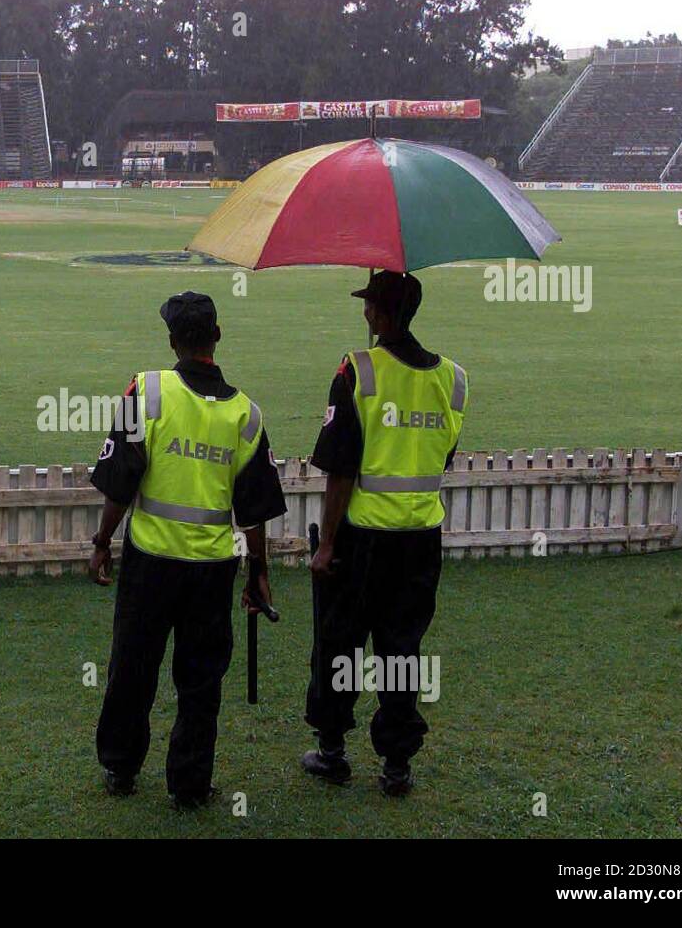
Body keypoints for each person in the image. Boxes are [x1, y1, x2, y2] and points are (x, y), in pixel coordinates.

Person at [88, 291, 287, 810]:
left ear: (172, 340)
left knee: (133, 667)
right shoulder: (247, 415)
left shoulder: (146, 391)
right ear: (216, 338)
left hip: (150, 563)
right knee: (201, 681)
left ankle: (120, 766)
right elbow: (256, 509)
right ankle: (191, 784)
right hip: (212, 571)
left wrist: (102, 541)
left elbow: (121, 481)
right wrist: (258, 572)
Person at [301, 270, 467, 797]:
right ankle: (397, 763)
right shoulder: (453, 379)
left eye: (369, 304)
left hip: (363, 538)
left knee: (339, 643)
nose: (365, 313)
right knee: (401, 649)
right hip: (420, 539)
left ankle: (332, 751)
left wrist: (326, 544)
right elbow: (443, 454)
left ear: (380, 312)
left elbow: (340, 468)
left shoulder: (358, 371)